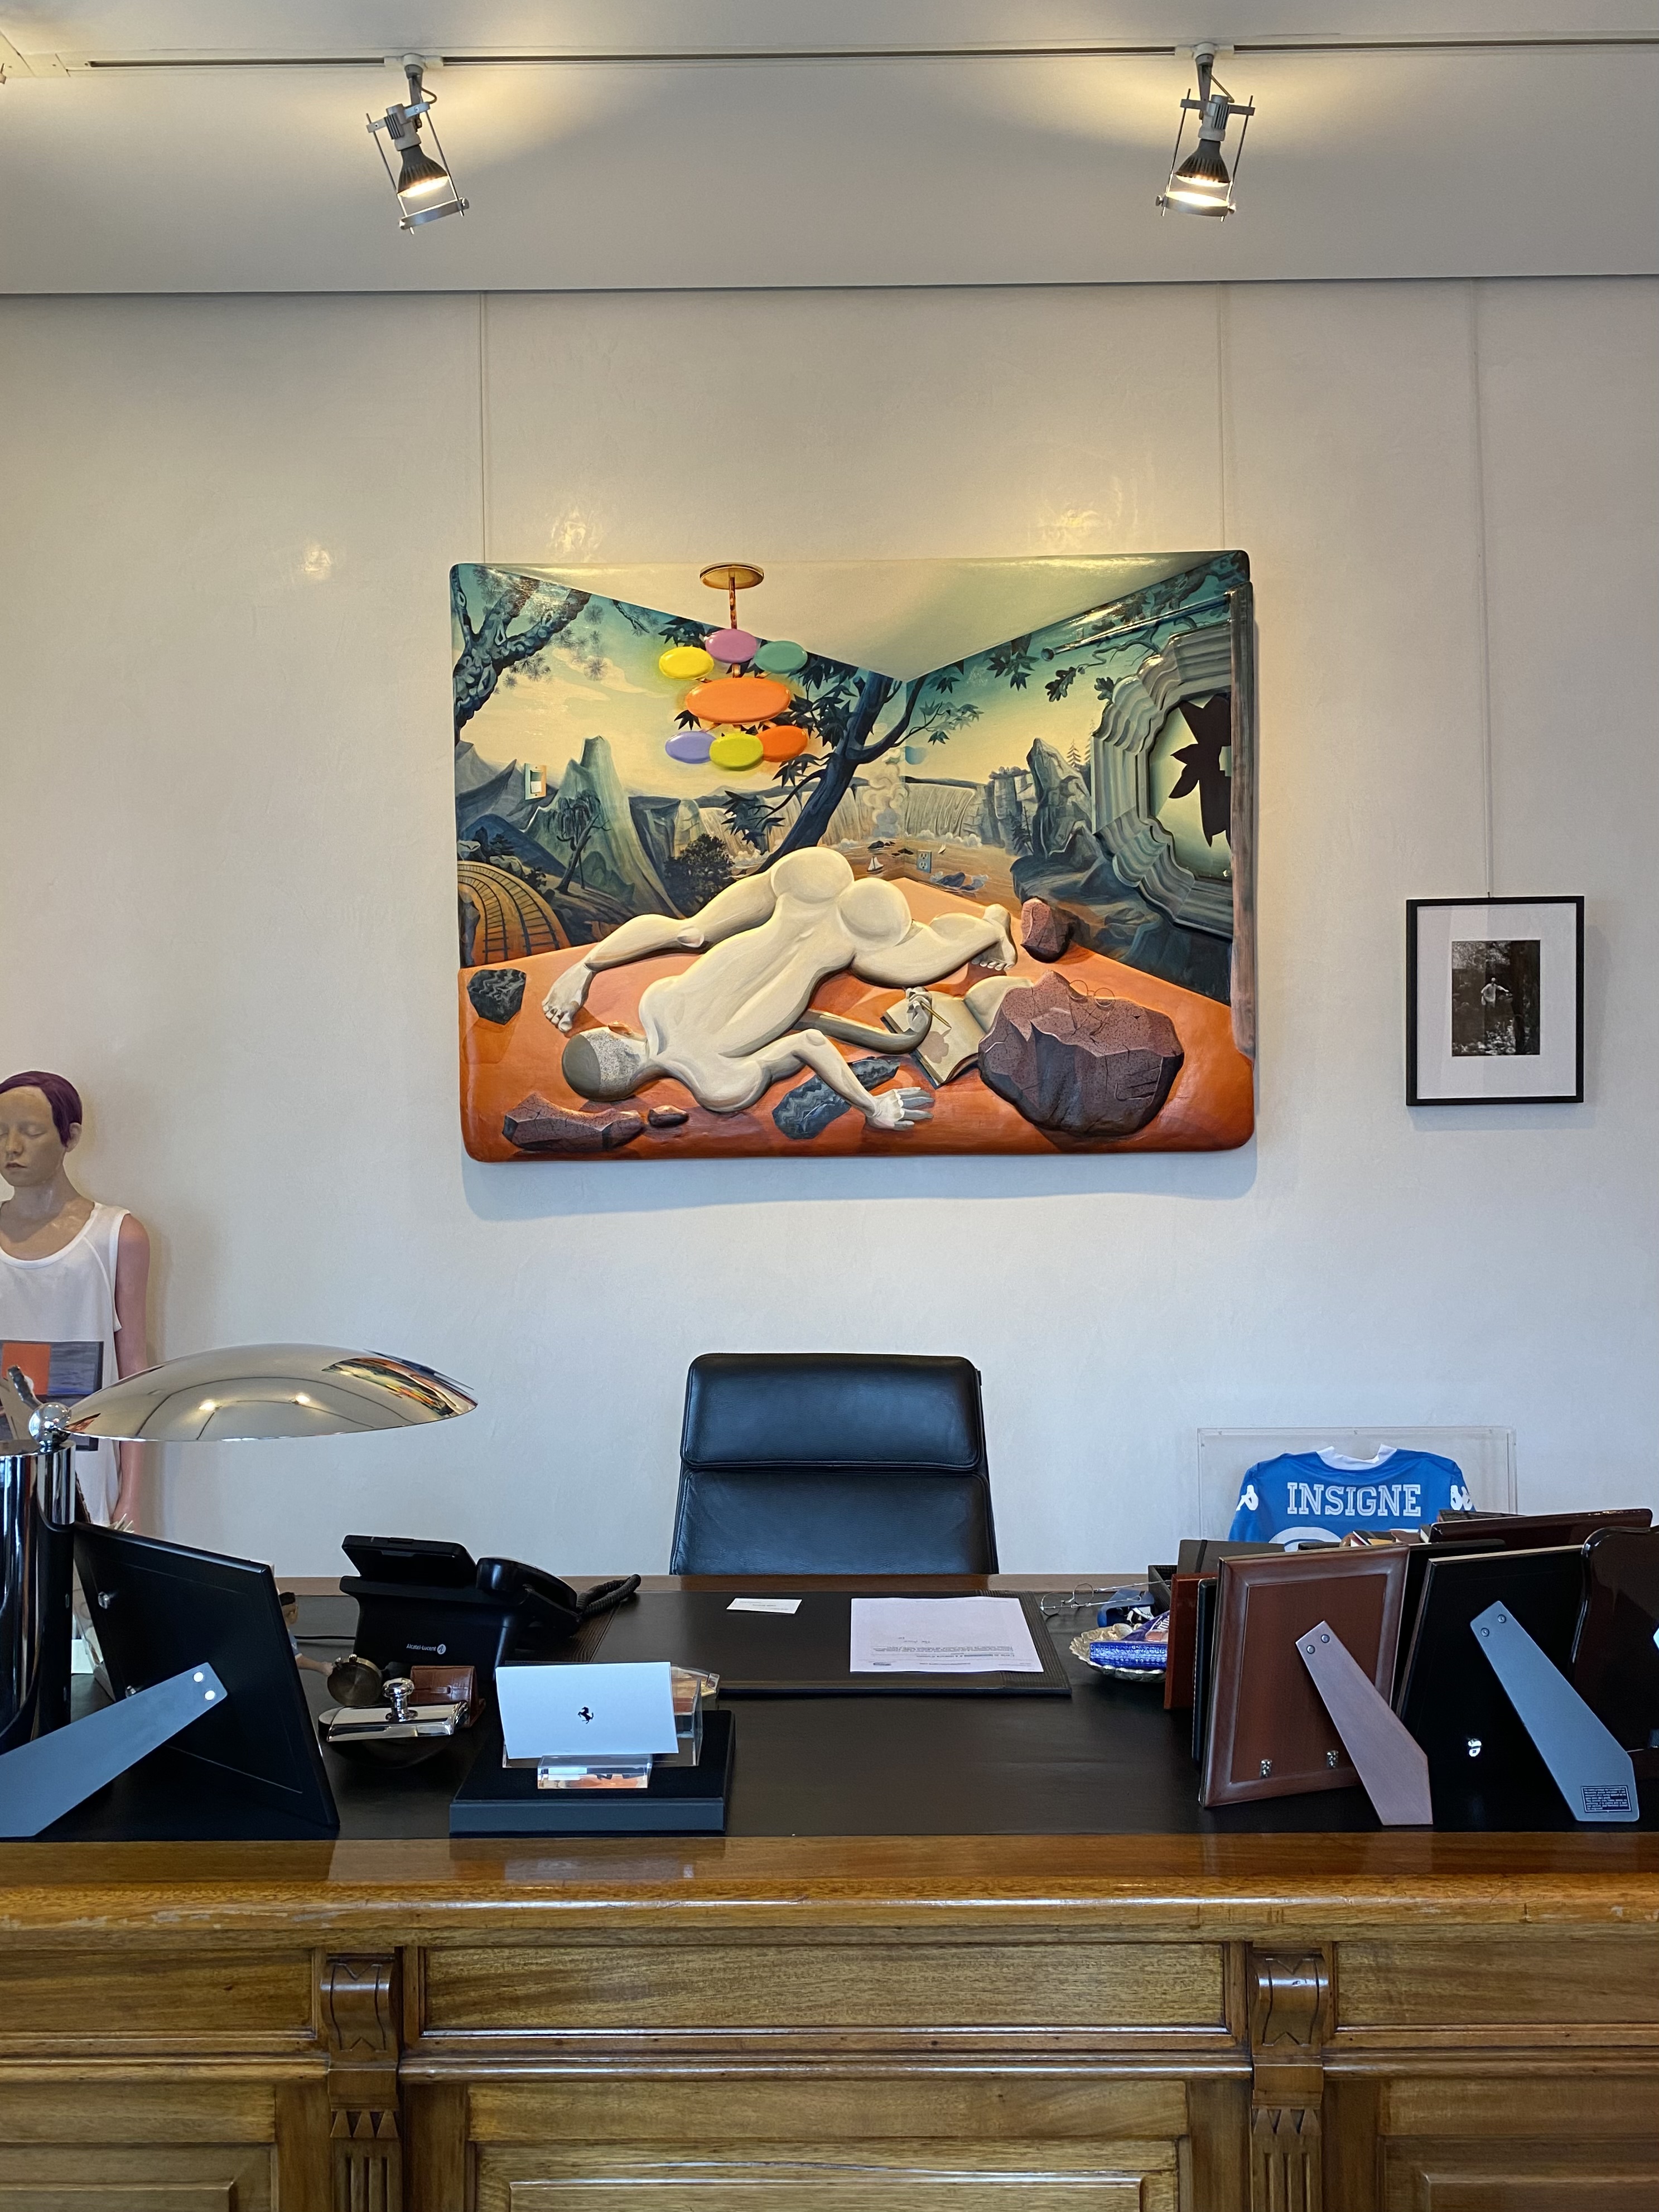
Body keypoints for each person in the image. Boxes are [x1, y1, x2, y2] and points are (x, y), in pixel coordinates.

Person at [545, 847, 1018, 1127]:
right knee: (692, 931)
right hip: (805, 883)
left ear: (629, 1089)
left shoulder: (718, 1085)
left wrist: (872, 1107)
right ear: (617, 1033)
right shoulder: (658, 1001)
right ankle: (992, 926)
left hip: (852, 933)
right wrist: (586, 967)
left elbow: (809, 1041)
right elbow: (676, 934)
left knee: (920, 961)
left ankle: (988, 929)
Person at [0, 1073, 150, 1526]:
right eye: (0, 1132)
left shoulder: (117, 1236)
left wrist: (132, 1494)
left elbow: (135, 1369)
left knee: (78, 1569)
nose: (12, 1147)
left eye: (31, 1131)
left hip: (85, 1466)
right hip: (6, 1462)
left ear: (71, 1136)